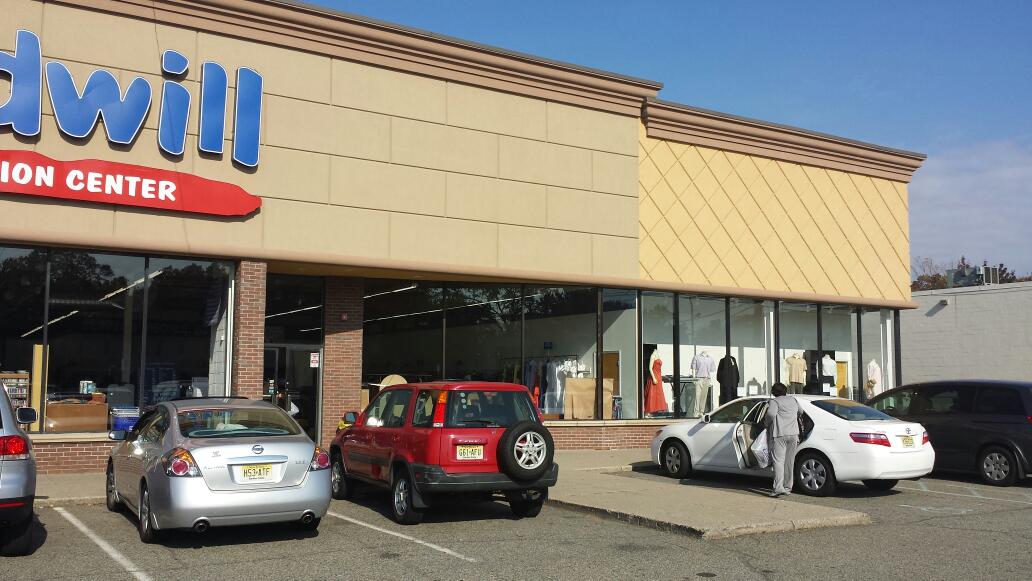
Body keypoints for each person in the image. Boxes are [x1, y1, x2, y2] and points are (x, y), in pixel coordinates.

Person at [764, 382, 802, 497]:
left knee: (778, 461)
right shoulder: (793, 400)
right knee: (789, 461)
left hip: (780, 434)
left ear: (774, 392)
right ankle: (787, 487)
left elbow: (771, 414)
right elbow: (800, 412)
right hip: (794, 434)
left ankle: (778, 488)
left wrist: (766, 423)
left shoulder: (775, 401)